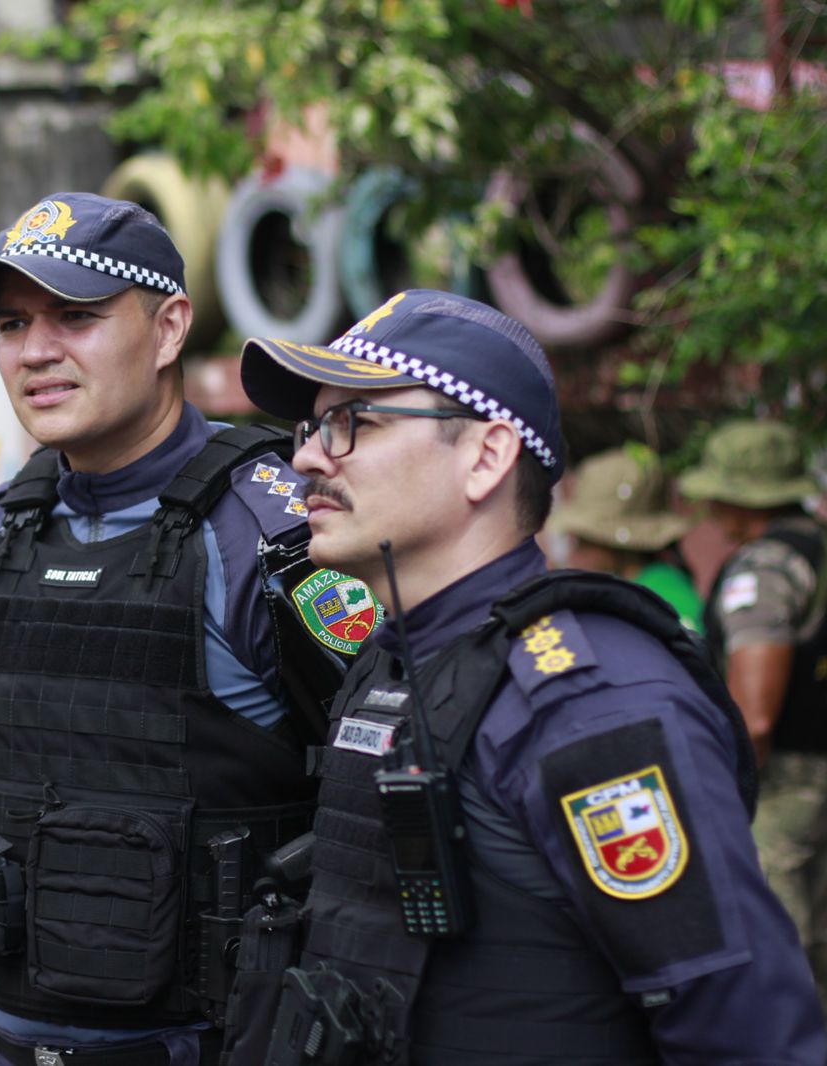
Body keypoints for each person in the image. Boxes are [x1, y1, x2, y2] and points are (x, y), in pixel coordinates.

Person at [232, 289, 824, 1063]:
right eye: (311, 429)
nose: (306, 458)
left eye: (354, 423)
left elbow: (747, 1031)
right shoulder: (390, 662)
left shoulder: (589, 702)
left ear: (485, 457)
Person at [0, 191, 369, 1065]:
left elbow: (386, 806)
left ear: (168, 330)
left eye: (76, 316)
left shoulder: (273, 532)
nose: (35, 351)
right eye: (12, 324)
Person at [677, 419, 827, 1010]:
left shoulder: (766, 567)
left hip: (784, 789)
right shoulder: (817, 548)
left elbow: (754, 716)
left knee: (779, 959)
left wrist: (722, 798)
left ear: (742, 498)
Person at [546, 444, 703, 631]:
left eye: (584, 542)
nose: (574, 556)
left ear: (614, 544)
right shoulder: (624, 593)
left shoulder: (665, 599)